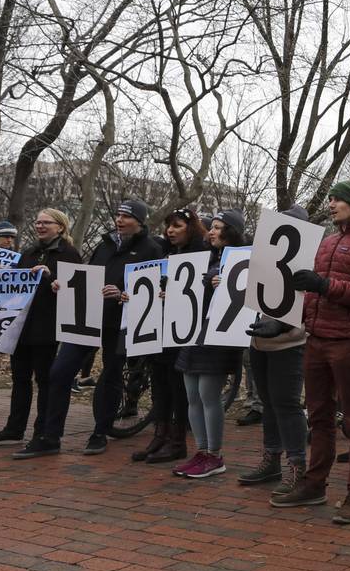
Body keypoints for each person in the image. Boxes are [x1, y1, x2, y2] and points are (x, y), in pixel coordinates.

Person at [272, 180, 350, 526]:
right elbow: (310, 294)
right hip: (317, 339)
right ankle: (314, 484)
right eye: (332, 198)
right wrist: (285, 324)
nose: (332, 203)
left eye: (338, 198)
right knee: (319, 416)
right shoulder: (326, 243)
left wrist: (323, 284)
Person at [15, 200, 164, 459]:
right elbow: (87, 276)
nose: (119, 220)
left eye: (126, 217)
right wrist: (64, 284)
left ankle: (100, 432)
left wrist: (123, 294)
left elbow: (152, 289)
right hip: (88, 316)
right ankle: (50, 437)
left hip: (120, 321)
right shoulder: (105, 244)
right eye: (118, 215)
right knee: (59, 372)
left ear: (140, 222)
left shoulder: (151, 249)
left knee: (111, 374)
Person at [0, 210, 82, 447]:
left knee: (45, 381)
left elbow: (75, 289)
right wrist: (4, 275)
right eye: (38, 222)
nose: (40, 226)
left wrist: (51, 276)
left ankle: (42, 430)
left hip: (47, 326)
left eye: (46, 222)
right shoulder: (30, 252)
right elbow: (17, 283)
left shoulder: (69, 254)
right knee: (20, 378)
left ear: (60, 227)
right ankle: (14, 427)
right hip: (21, 326)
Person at [240, 203, 311, 494]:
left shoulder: (309, 259)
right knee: (268, 403)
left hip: (290, 341)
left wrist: (284, 325)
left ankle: (297, 466)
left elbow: (307, 303)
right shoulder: (265, 256)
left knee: (287, 404)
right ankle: (272, 458)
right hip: (260, 339)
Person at [173, 210, 248, 478]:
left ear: (232, 232)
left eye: (218, 228)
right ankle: (202, 451)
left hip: (218, 336)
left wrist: (224, 283)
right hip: (194, 332)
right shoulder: (205, 258)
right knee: (192, 395)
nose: (212, 232)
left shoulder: (244, 260)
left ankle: (215, 455)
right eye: (211, 227)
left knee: (208, 395)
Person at [133, 208, 208, 464]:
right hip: (160, 327)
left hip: (184, 332)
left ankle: (177, 441)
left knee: (178, 388)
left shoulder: (201, 254)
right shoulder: (167, 252)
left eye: (177, 226)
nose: (170, 231)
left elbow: (199, 293)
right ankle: (160, 435)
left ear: (190, 228)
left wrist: (174, 294)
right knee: (159, 383)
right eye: (169, 226)